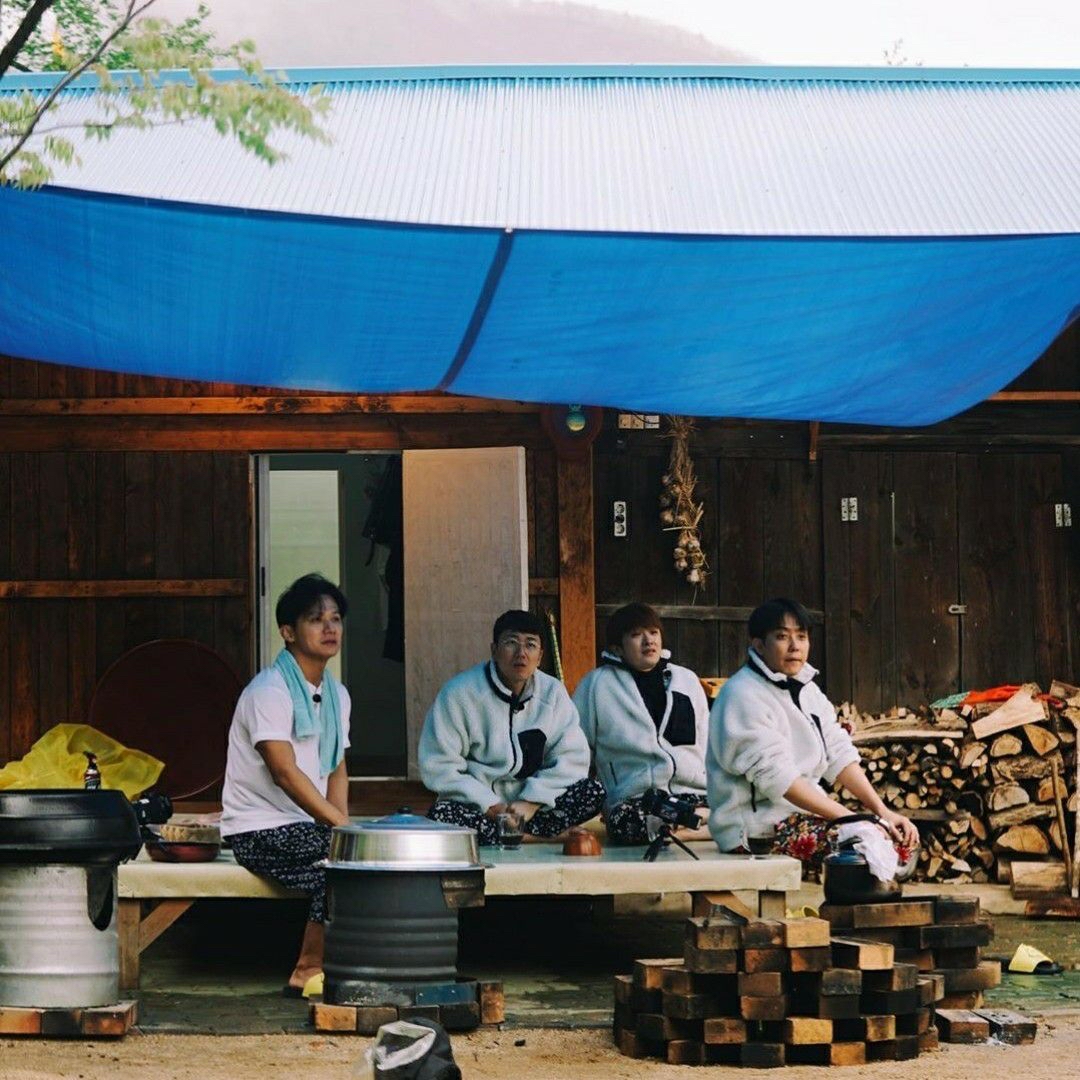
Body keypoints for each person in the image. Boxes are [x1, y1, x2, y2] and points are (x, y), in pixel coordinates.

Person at [706, 597, 919, 872]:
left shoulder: (807, 690)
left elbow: (838, 752)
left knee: (900, 842)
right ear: (759, 645)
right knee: (863, 847)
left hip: (799, 816)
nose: (795, 646)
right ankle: (845, 913)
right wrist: (853, 820)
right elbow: (778, 779)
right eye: (782, 637)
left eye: (802, 636)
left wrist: (882, 812)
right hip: (753, 829)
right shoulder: (742, 695)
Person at [221, 573, 351, 996]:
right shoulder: (269, 691)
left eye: (335, 619)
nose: (330, 628)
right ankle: (307, 971)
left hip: (307, 827)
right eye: (316, 620)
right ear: (288, 632)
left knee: (356, 863)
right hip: (258, 828)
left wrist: (342, 824)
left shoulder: (337, 694)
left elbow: (336, 767)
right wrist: (338, 828)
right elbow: (285, 771)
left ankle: (348, 965)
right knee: (341, 869)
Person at [419, 609, 604, 845]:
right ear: (494, 650)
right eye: (511, 643)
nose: (521, 654)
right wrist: (493, 806)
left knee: (593, 791)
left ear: (540, 656)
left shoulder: (553, 693)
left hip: (532, 810)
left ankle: (516, 833)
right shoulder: (459, 694)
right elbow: (440, 766)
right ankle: (539, 838)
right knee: (442, 814)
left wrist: (531, 802)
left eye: (530, 645)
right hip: (483, 809)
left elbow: (572, 759)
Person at [574, 603, 710, 844]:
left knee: (743, 810)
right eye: (637, 635)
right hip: (637, 800)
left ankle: (679, 829)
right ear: (618, 647)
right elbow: (578, 749)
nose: (649, 641)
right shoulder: (596, 685)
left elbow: (708, 742)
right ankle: (700, 827)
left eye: (654, 633)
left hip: (692, 793)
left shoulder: (686, 680)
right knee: (627, 823)